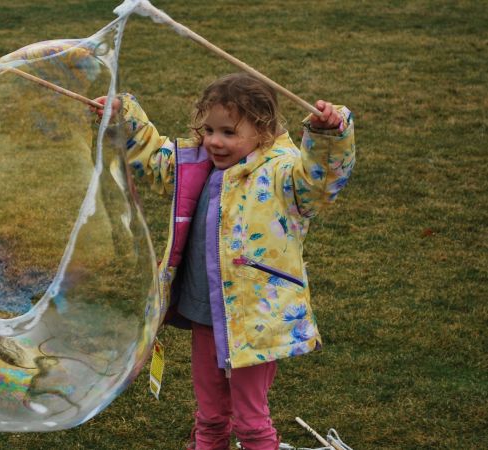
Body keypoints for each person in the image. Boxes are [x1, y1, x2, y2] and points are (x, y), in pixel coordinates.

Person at [93, 73, 355, 450]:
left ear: (263, 131)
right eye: (209, 130)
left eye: (229, 132)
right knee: (210, 415)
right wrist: (124, 117)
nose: (215, 141)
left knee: (251, 422)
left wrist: (330, 134)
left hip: (254, 319)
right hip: (204, 311)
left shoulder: (282, 172)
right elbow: (153, 159)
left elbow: (320, 181)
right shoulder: (197, 163)